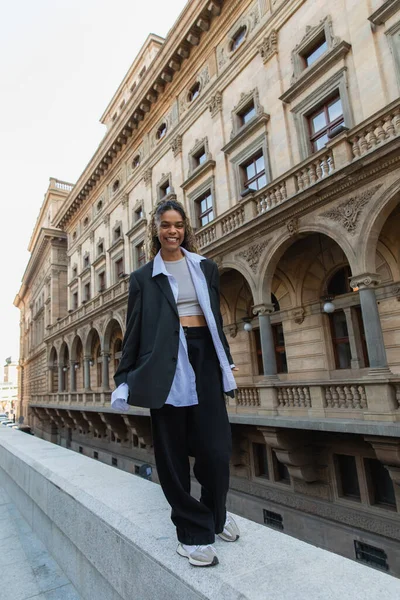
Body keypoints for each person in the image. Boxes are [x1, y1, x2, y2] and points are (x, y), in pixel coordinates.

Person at [111, 199, 240, 567]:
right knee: (172, 456)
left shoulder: (205, 267)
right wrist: (124, 378)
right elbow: (134, 332)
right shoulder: (142, 278)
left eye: (179, 225)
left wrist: (226, 361)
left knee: (216, 450)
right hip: (165, 364)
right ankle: (192, 533)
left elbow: (213, 319)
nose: (173, 231)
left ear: (186, 229)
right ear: (156, 230)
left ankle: (215, 514)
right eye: (166, 225)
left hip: (204, 358)